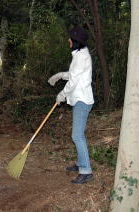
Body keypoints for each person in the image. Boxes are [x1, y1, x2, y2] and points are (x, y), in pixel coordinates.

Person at [48, 25, 94, 184]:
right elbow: (74, 75)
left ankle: (86, 170)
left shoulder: (81, 57)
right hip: (80, 99)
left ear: (76, 41)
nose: (68, 40)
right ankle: (81, 163)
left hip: (82, 100)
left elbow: (74, 80)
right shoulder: (80, 55)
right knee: (77, 135)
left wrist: (62, 94)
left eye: (70, 38)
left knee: (77, 135)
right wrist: (60, 75)